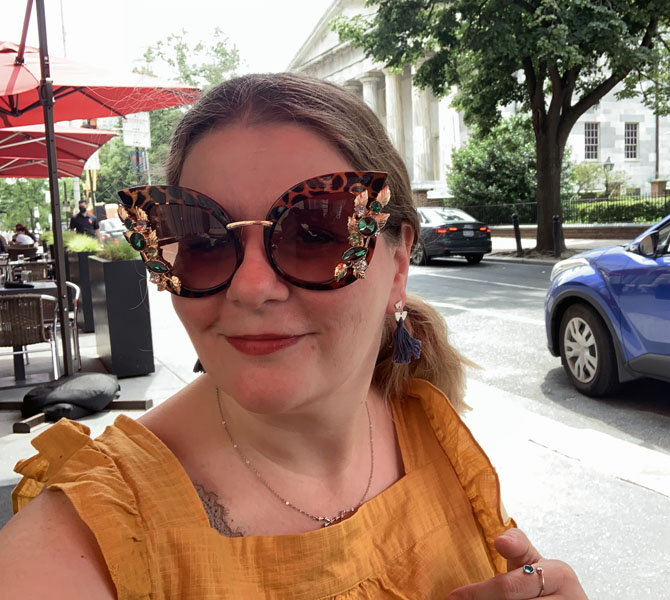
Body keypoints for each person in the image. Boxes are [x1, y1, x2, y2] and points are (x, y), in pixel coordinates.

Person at [0, 73, 588, 599]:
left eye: (315, 231)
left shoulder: (428, 424)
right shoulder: (87, 534)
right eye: (201, 239)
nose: (252, 287)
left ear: (399, 262)